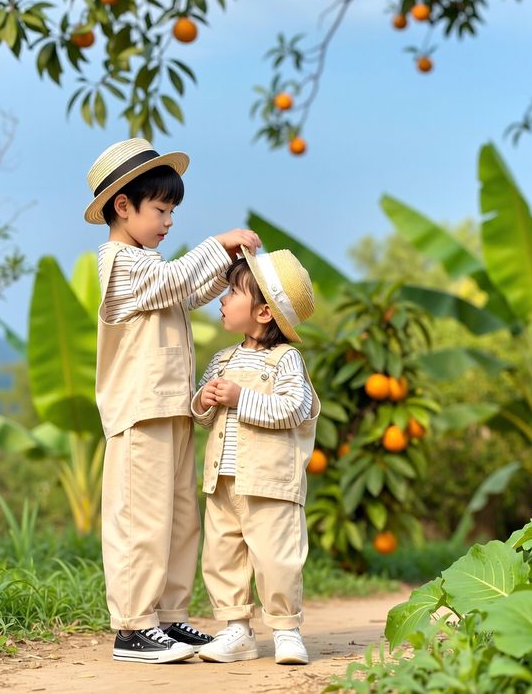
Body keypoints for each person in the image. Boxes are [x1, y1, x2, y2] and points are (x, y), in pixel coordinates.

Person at [84, 137, 261, 664]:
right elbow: (173, 279)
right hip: (140, 413)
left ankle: (167, 616)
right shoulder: (120, 263)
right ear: (123, 206)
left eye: (171, 212)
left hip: (172, 409)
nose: (168, 221)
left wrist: (228, 265)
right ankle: (133, 626)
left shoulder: (150, 265)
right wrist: (218, 243)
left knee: (180, 519)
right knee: (141, 520)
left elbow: (186, 289)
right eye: (161, 210)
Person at [192, 246, 320, 666]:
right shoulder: (222, 359)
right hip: (223, 480)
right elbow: (205, 418)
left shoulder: (286, 360)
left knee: (276, 558)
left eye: (233, 292)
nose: (223, 298)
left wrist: (240, 397)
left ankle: (285, 630)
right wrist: (203, 401)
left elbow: (294, 409)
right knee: (222, 556)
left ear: (264, 312)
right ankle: (236, 630)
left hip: (270, 483)